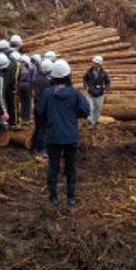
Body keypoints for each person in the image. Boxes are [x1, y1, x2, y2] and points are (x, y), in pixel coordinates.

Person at [35, 59, 91, 208]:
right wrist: (74, 115)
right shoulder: (75, 93)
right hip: (71, 136)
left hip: (53, 136)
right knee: (71, 168)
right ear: (68, 76)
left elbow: (39, 111)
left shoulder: (48, 93)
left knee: (53, 167)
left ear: (53, 76)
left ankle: (53, 198)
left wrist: (50, 114)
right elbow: (86, 111)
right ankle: (70, 199)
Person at [30, 59, 53, 158]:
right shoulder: (48, 81)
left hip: (37, 107)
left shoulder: (36, 79)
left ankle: (33, 148)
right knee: (44, 129)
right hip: (45, 108)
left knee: (38, 128)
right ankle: (42, 149)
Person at [83, 55, 110, 126]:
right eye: (93, 62)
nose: (93, 64)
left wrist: (107, 88)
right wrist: (86, 86)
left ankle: (96, 122)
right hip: (90, 93)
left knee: (98, 109)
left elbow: (107, 82)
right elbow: (85, 79)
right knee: (90, 107)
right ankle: (89, 121)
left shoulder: (104, 73)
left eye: (95, 63)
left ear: (99, 64)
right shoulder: (89, 72)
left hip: (99, 94)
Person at [18, 55, 34, 123]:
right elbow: (31, 79)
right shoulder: (28, 69)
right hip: (27, 86)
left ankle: (22, 117)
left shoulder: (19, 68)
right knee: (27, 102)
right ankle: (27, 118)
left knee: (22, 101)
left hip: (20, 85)